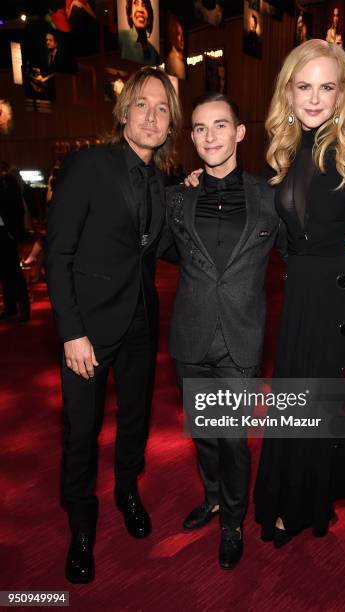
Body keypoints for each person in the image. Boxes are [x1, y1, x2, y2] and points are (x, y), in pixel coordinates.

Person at [161, 92, 345, 569]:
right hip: (190, 337)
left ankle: (232, 521)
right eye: (199, 128)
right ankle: (211, 498)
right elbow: (164, 251)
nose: (209, 136)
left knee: (231, 438)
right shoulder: (177, 196)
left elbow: (303, 250)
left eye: (219, 126)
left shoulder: (269, 198)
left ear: (239, 132)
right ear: (191, 137)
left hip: (240, 338)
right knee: (204, 434)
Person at [254, 39, 345, 548]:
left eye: (326, 87)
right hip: (299, 300)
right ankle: (295, 501)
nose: (314, 98)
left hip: (341, 299)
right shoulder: (286, 150)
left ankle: (302, 506)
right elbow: (282, 231)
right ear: (289, 92)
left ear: (342, 96)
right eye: (304, 86)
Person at [46, 67, 182, 584]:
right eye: (142, 105)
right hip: (88, 331)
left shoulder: (162, 182)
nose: (152, 115)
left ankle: (128, 490)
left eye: (162, 109)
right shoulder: (87, 166)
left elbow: (166, 247)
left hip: (142, 326)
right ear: (124, 112)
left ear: (170, 126)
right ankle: (81, 526)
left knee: (135, 421)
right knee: (81, 433)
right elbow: (58, 255)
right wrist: (70, 332)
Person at [0, 162, 30, 322]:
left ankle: (23, 309)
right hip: (4, 233)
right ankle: (11, 308)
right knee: (5, 274)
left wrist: (13, 232)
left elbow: (17, 207)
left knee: (13, 273)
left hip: (7, 233)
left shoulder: (8, 182)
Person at [119, 0, 160, 66]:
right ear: (130, 13)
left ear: (149, 15)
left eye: (144, 5)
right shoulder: (121, 39)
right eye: (135, 3)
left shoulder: (154, 53)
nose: (140, 9)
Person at [166, 14, 186, 80]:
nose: (182, 39)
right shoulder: (172, 59)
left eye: (182, 35)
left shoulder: (180, 58)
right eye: (178, 34)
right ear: (172, 36)